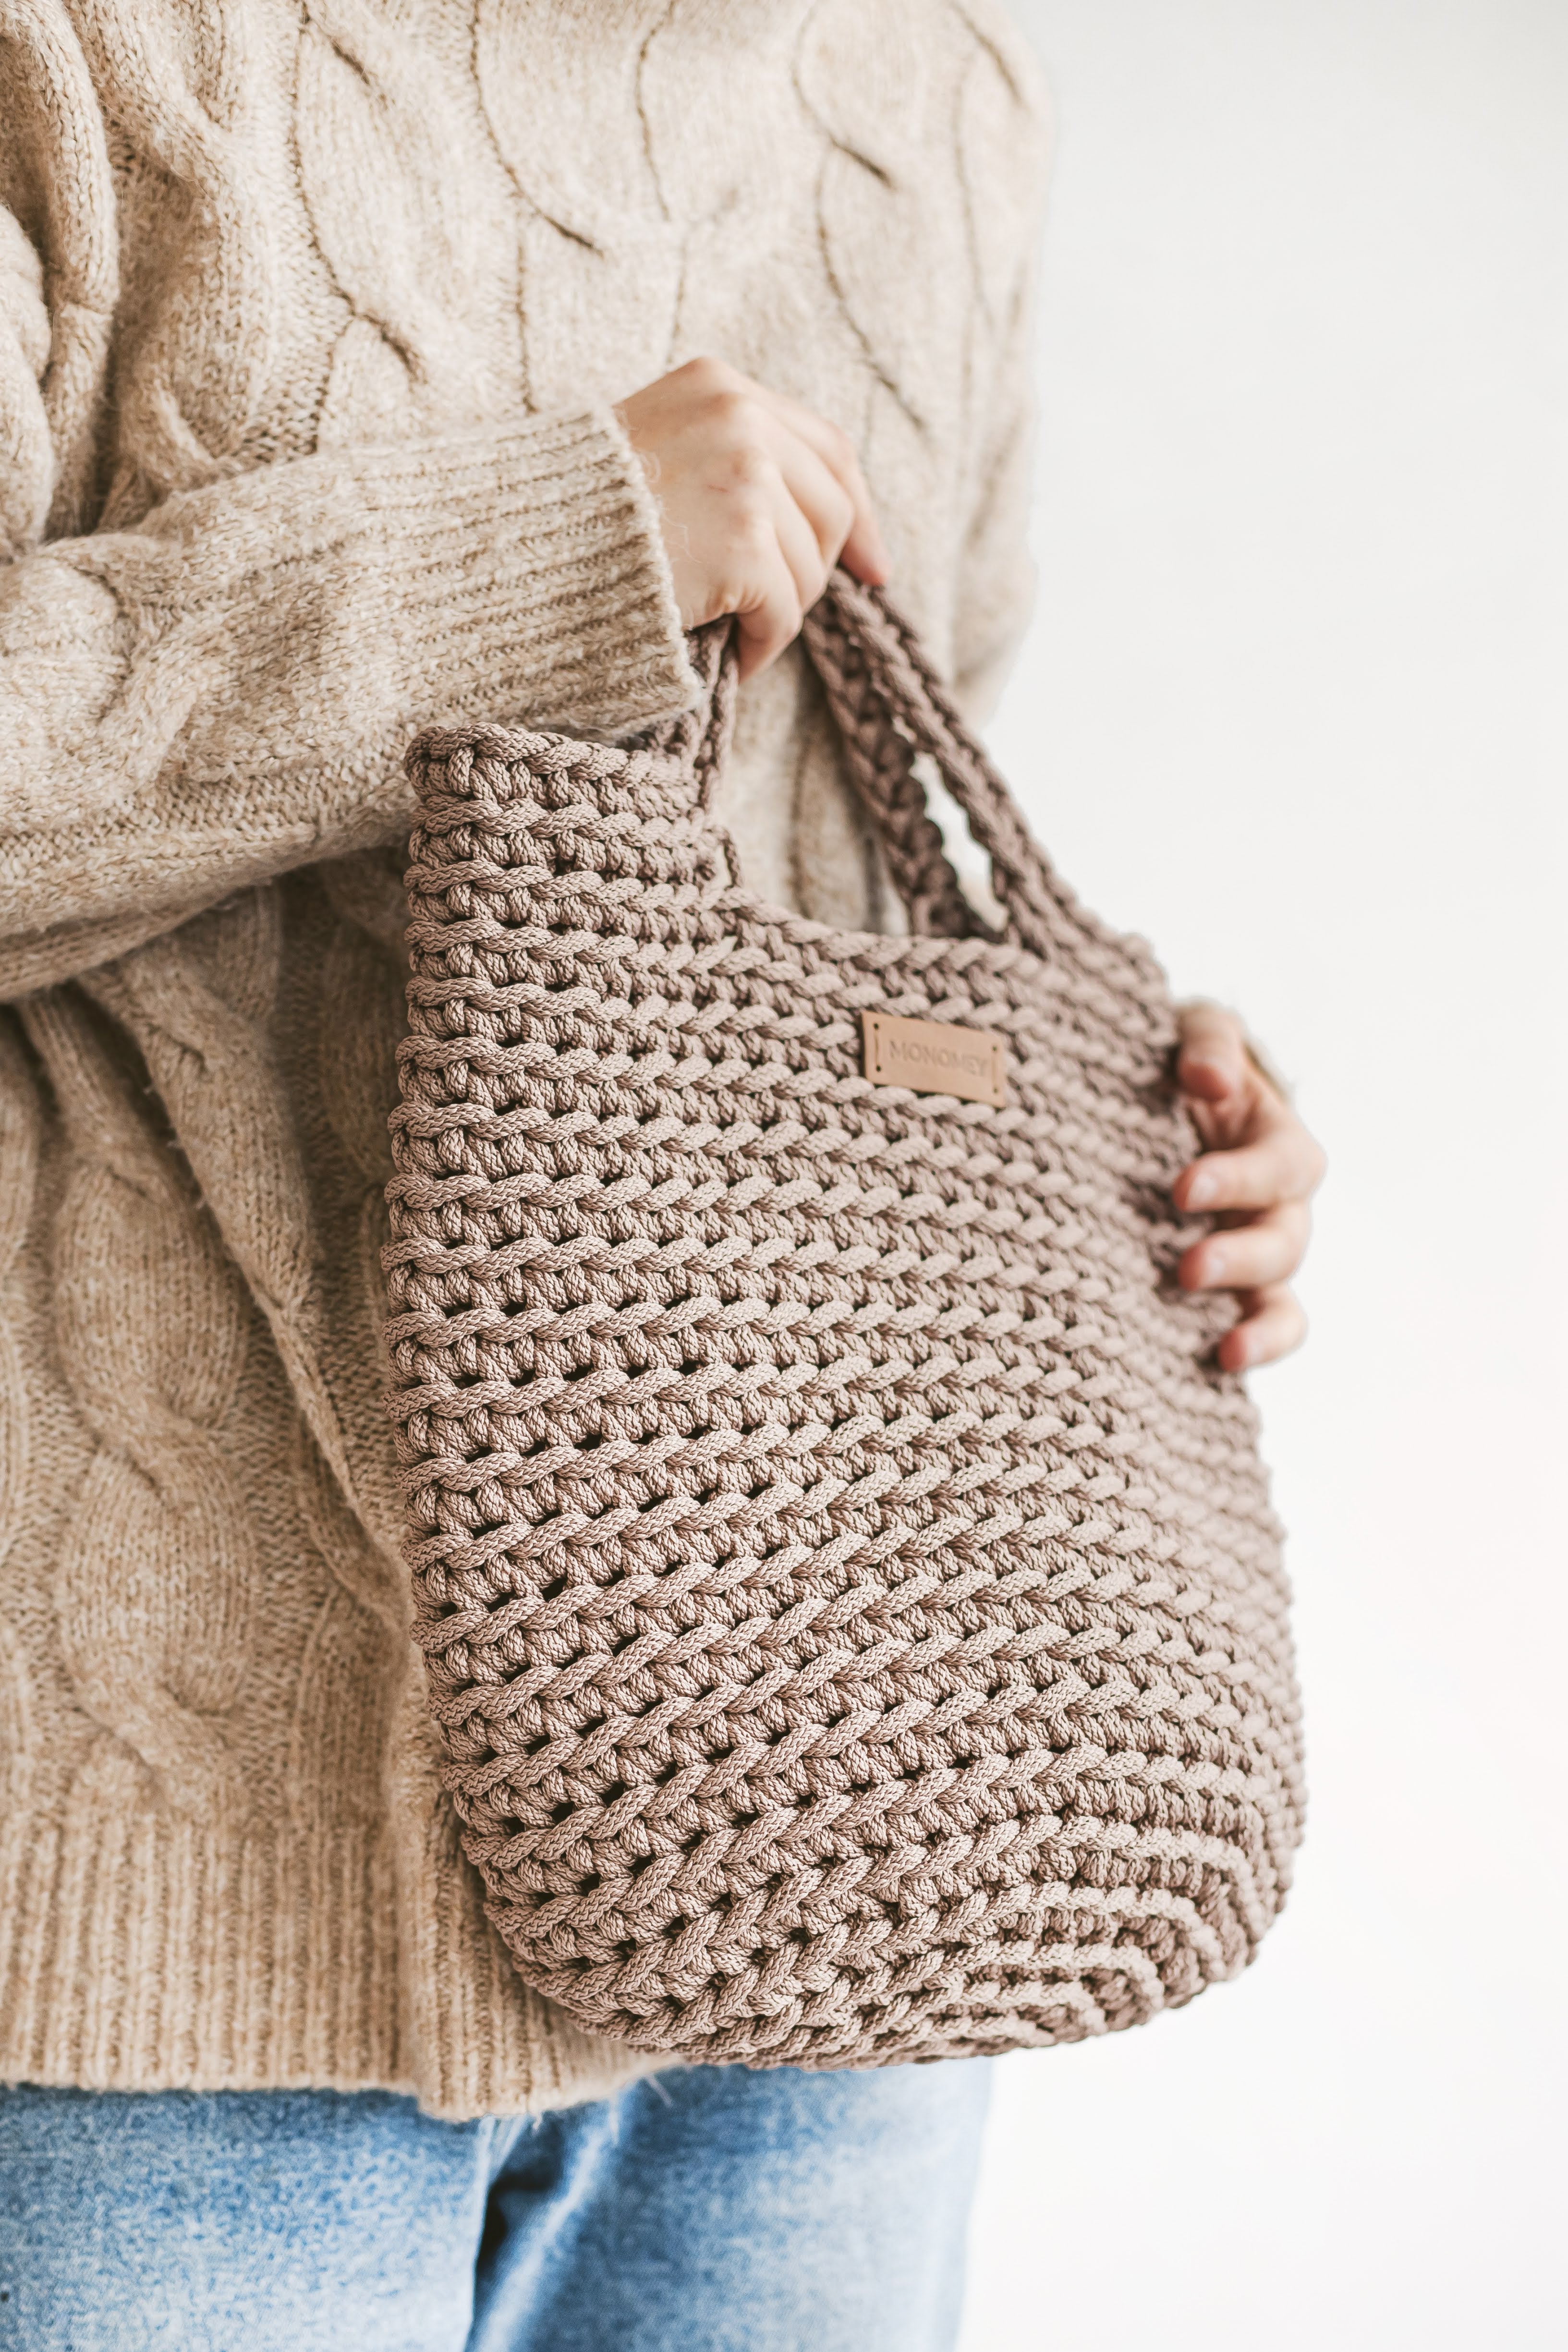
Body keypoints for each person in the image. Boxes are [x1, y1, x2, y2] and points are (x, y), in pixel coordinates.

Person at [0, 4, 1325, 2346]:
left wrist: (1131, 1128)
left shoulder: (936, 88)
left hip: (849, 1845)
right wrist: (543, 552)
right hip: (184, 1915)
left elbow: (832, 847)